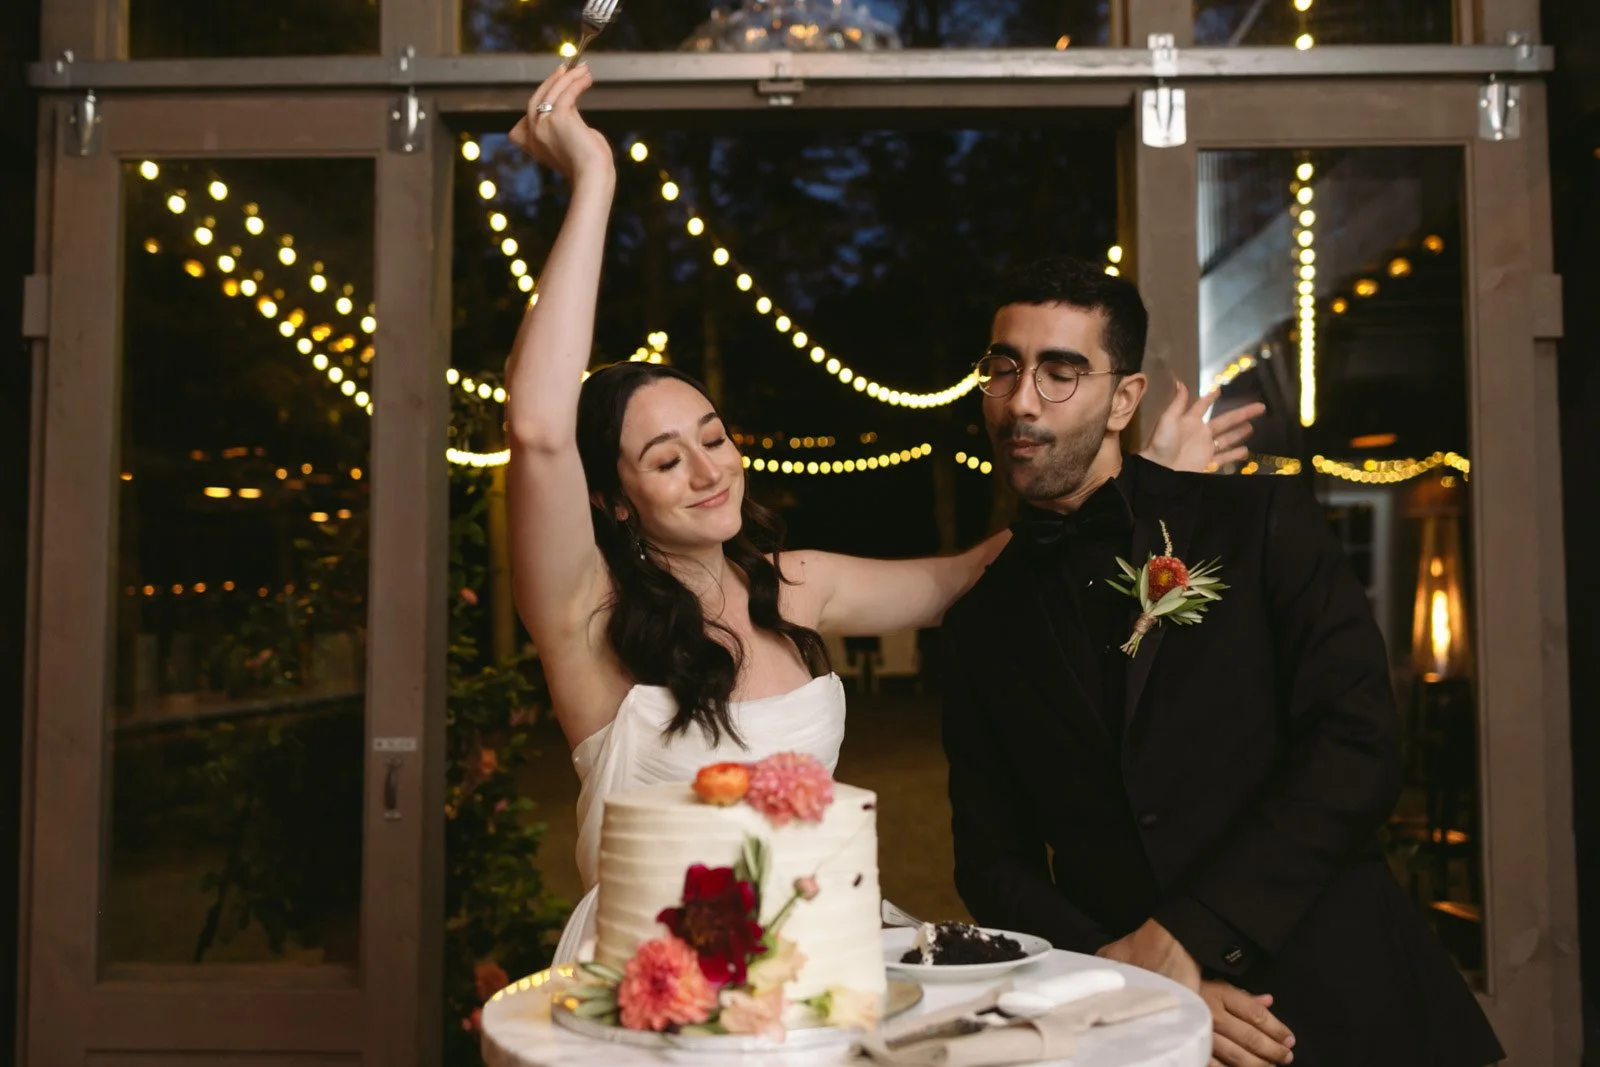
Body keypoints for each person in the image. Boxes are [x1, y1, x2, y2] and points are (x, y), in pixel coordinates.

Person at [502, 64, 1260, 962]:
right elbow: (539, 426)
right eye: (667, 459)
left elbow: (982, 569)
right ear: (611, 501)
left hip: (819, 952)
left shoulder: (795, 587)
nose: (710, 470)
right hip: (658, 975)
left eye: (714, 436)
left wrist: (1145, 480)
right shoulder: (583, 615)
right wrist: (594, 182)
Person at [938, 255, 1504, 1067]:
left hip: (1350, 999)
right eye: (1004, 368)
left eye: (1061, 373)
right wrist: (1127, 973)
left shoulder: (1258, 522)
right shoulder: (978, 623)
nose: (1022, 400)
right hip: (1137, 1030)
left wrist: (1183, 936)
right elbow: (992, 861)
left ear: (1123, 399)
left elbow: (1357, 746)